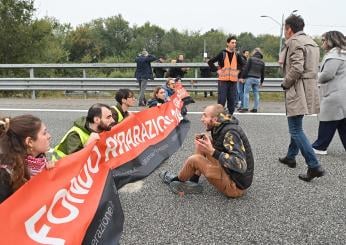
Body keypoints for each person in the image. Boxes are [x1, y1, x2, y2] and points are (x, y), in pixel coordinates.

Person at [159, 104, 254, 197]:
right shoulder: (221, 126)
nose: (201, 119)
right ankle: (193, 181)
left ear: (215, 119)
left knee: (194, 159)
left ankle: (176, 180)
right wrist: (209, 141)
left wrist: (212, 151)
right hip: (231, 174)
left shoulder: (230, 132)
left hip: (235, 186)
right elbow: (224, 148)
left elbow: (241, 165)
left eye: (205, 115)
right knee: (202, 143)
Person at [278, 14, 325, 182]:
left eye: (285, 28)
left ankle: (314, 166)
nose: (284, 32)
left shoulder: (294, 42)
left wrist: (285, 83)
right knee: (296, 122)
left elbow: (297, 68)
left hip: (297, 88)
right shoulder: (312, 42)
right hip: (309, 88)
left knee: (295, 129)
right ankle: (291, 156)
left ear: (289, 29)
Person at [0, 115, 52, 203]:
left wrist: (50, 174)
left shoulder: (40, 160)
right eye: (44, 133)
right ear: (30, 142)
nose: (49, 136)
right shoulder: (5, 176)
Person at [311, 31, 346, 154]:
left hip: (334, 94)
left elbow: (327, 75)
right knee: (341, 122)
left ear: (330, 41)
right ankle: (320, 145)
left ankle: (320, 146)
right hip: (341, 93)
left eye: (323, 40)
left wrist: (314, 76)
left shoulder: (334, 55)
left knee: (328, 119)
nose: (322, 43)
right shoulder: (342, 54)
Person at [208, 36, 246, 115]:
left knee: (232, 100)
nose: (234, 44)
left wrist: (239, 73)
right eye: (232, 42)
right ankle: (219, 116)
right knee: (221, 100)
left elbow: (244, 65)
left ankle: (230, 116)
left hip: (233, 81)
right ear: (227, 43)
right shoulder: (222, 53)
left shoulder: (237, 54)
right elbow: (210, 62)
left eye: (235, 43)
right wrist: (217, 70)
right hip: (223, 81)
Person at [239, 48, 265, 113]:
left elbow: (246, 69)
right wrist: (261, 81)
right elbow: (263, 73)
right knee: (256, 94)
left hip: (250, 78)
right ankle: (255, 108)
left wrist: (242, 77)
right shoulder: (262, 62)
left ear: (254, 52)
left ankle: (245, 108)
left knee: (246, 93)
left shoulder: (251, 59)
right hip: (257, 79)